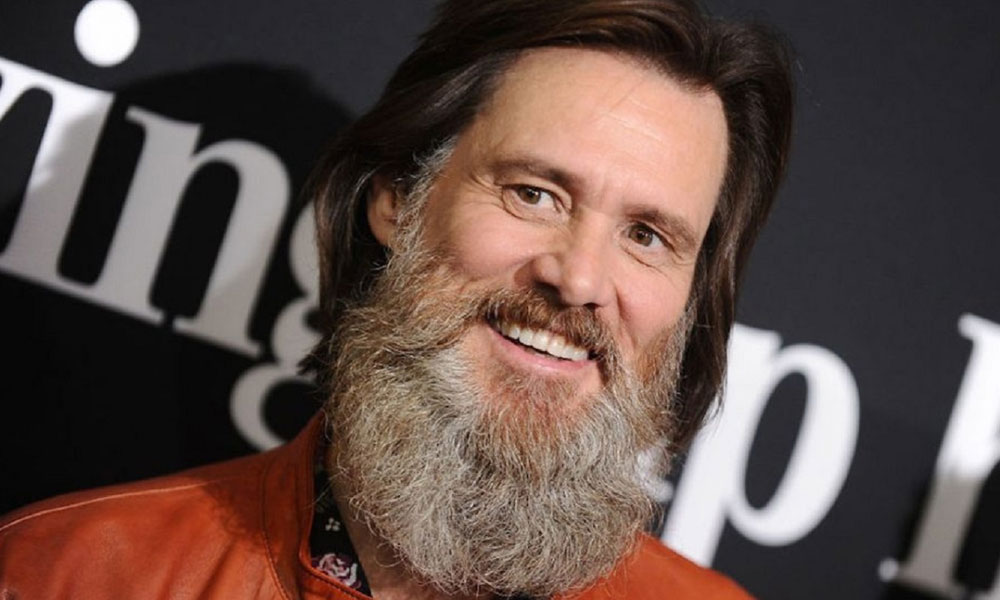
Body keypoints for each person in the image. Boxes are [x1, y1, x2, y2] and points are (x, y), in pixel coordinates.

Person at [0, 0, 792, 598]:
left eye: (647, 236)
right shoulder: (63, 576)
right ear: (397, 198)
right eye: (533, 193)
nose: (580, 279)